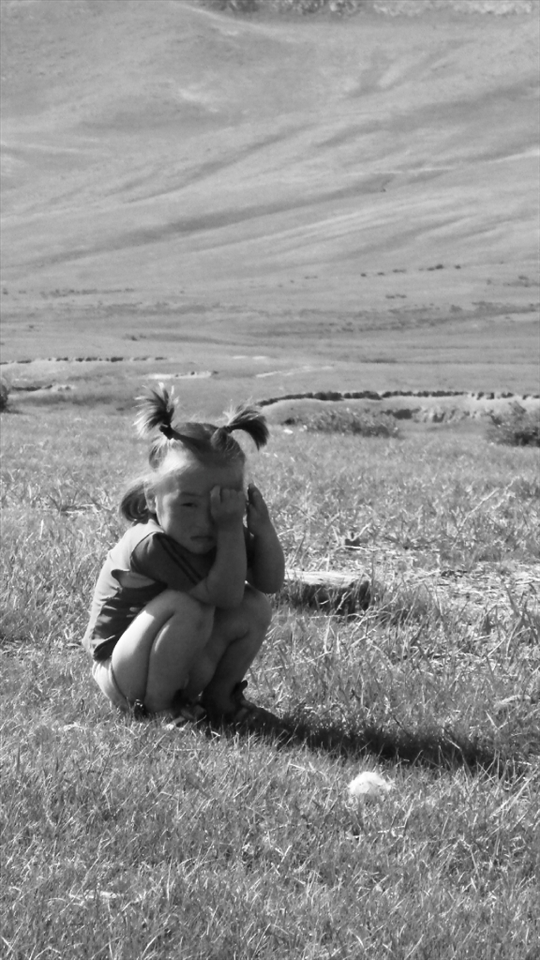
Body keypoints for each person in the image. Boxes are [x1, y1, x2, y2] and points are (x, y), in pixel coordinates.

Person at [82, 384, 285, 729]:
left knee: (255, 606)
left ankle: (220, 698)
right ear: (152, 497)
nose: (204, 519)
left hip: (173, 658)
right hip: (122, 670)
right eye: (188, 504)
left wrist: (262, 530)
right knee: (190, 604)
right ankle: (161, 707)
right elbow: (223, 594)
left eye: (220, 502)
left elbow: (269, 583)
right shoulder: (151, 543)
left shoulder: (222, 528)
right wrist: (230, 528)